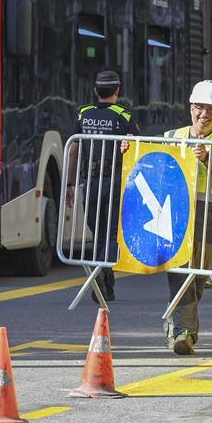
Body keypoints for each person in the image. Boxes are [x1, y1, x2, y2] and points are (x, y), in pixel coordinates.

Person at [166, 80, 212, 355]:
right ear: (191, 106)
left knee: (198, 277)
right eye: (200, 108)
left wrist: (207, 158)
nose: (204, 115)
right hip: (176, 215)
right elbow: (150, 159)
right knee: (180, 273)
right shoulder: (172, 135)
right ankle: (182, 332)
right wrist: (129, 148)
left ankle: (182, 329)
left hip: (211, 216)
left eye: (211, 110)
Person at [66, 69, 141, 303]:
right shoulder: (124, 117)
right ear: (118, 92)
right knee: (110, 234)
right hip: (115, 182)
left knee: (97, 233)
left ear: (95, 91)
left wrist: (69, 183)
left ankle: (106, 285)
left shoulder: (83, 115)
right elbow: (139, 148)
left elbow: (74, 149)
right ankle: (101, 274)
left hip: (90, 181)